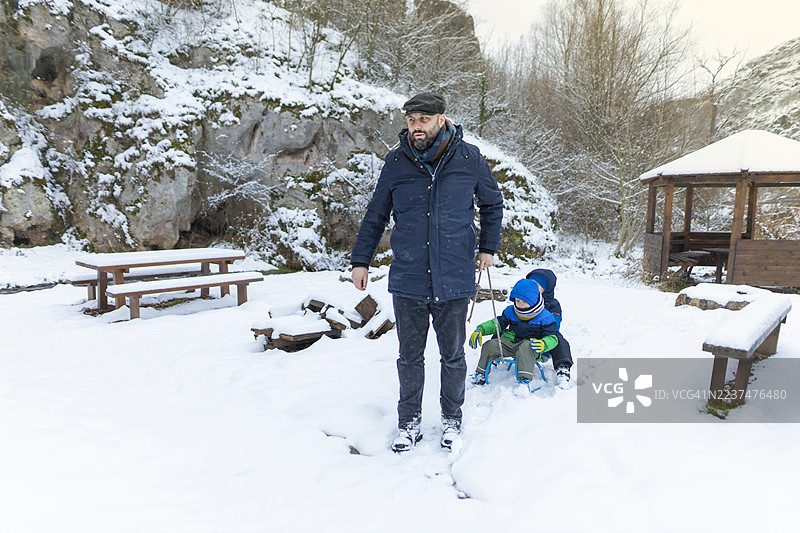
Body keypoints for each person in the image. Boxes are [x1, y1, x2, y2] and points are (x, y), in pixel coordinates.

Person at [350, 92, 503, 453]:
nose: (415, 127)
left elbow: (492, 203)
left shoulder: (469, 158)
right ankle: (409, 422)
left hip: (454, 276)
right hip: (409, 277)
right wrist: (361, 260)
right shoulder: (397, 162)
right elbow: (376, 215)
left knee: (452, 356)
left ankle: (452, 420)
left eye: (422, 119)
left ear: (441, 119)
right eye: (410, 120)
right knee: (409, 357)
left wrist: (488, 248)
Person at [469, 278, 561, 387]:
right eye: (517, 301)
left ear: (534, 300)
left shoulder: (545, 317)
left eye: (524, 302)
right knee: (491, 345)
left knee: (526, 346)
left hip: (532, 347)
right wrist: (481, 330)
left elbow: (553, 337)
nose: (520, 305)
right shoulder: (511, 311)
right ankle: (480, 374)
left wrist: (544, 344)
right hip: (511, 343)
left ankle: (524, 382)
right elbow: (498, 323)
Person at [525, 268, 573, 387]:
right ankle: (494, 357)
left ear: (546, 288)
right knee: (503, 329)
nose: (533, 287)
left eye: (537, 285)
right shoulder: (524, 299)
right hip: (524, 333)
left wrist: (545, 345)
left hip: (545, 334)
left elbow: (554, 324)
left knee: (559, 340)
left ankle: (563, 368)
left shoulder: (553, 304)